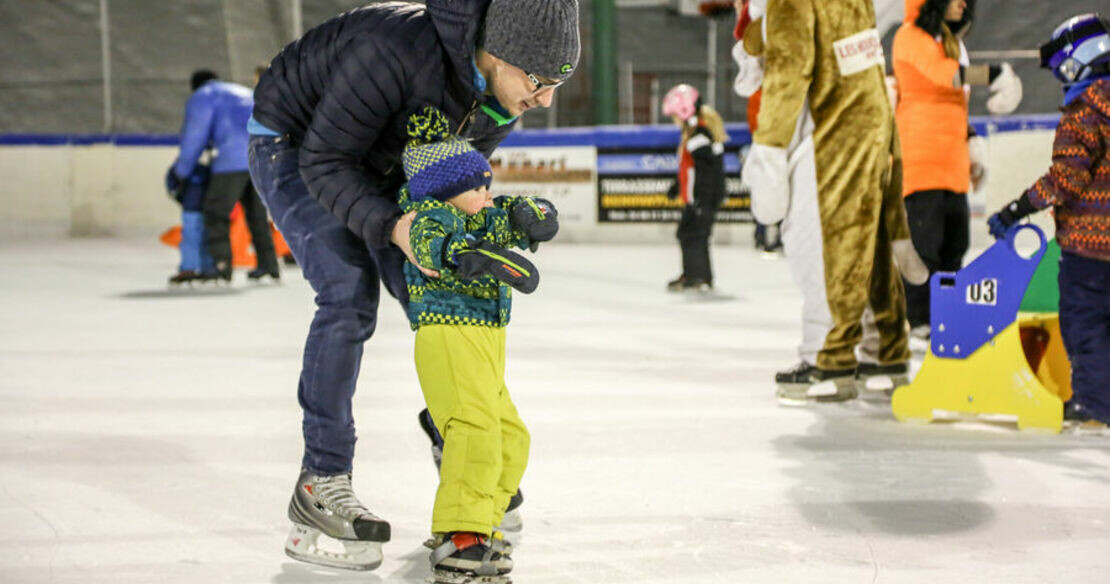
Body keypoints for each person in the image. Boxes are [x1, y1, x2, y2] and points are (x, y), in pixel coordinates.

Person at [245, 0, 580, 571]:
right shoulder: (391, 50)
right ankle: (320, 481)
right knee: (348, 293)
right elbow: (327, 162)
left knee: (436, 289)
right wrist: (396, 227)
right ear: (499, 54)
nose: (544, 99)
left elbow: (453, 188)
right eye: (539, 81)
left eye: (558, 84)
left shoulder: (502, 94)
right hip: (299, 144)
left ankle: (457, 433)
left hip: (385, 152)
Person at [742, 0, 929, 402]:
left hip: (829, 138)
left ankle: (829, 356)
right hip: (870, 126)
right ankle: (886, 350)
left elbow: (790, 73)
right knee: (870, 249)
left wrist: (769, 149)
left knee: (827, 252)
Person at [399, 106, 555, 581]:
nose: (487, 194)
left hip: (486, 340)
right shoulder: (429, 215)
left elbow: (511, 212)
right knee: (473, 429)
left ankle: (483, 522)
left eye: (487, 183)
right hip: (447, 334)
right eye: (477, 187)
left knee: (511, 437)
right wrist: (464, 255)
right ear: (445, 191)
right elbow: (428, 244)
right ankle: (461, 535)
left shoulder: (481, 214)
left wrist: (534, 213)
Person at [987, 13, 1110, 431]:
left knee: (1087, 325)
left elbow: (1066, 180)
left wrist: (1018, 208)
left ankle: (1095, 406)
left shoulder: (1084, 112)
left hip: (1090, 249)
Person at [892, 0, 1022, 339]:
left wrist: (972, 144)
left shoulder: (949, 42)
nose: (962, 3)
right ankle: (919, 320)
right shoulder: (910, 36)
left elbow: (957, 101)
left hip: (952, 164)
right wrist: (995, 73)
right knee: (925, 246)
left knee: (955, 245)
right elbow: (945, 76)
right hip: (920, 162)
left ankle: (946, 314)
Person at [169, 70, 279, 283]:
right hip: (260, 159)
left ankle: (221, 266)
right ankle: (269, 265)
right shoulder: (243, 92)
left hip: (231, 162)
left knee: (216, 213)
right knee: (257, 215)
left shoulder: (203, 96)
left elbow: (194, 137)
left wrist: (181, 172)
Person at [661, 84, 727, 292]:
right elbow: (689, 168)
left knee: (695, 235)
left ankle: (698, 276)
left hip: (703, 198)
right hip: (697, 198)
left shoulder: (699, 135)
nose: (674, 120)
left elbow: (709, 172)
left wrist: (702, 199)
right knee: (688, 233)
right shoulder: (694, 134)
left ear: (684, 111)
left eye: (674, 116)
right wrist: (676, 187)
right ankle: (695, 274)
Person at [163, 162, 214, 285]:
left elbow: (172, 184)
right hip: (206, 206)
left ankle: (189, 269)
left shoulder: (184, 163)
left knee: (191, 237)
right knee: (205, 236)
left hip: (192, 207)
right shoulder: (212, 164)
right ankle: (208, 267)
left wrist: (180, 196)